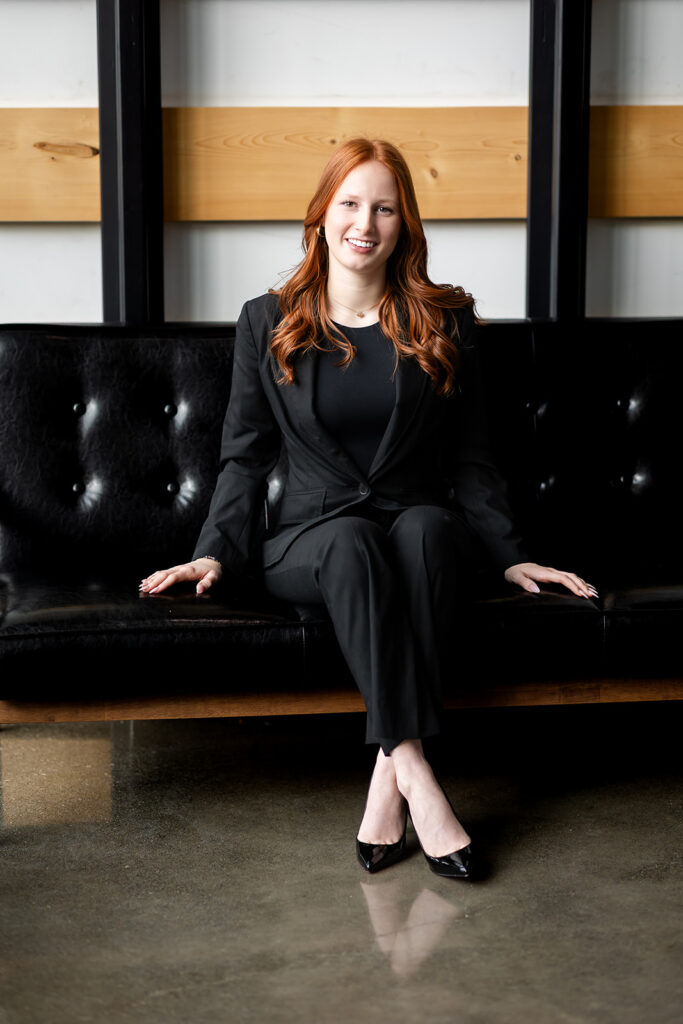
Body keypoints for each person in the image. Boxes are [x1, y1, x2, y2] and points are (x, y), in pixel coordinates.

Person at [140, 138, 597, 880]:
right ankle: (419, 774)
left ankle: (389, 783)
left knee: (419, 529)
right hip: (311, 543)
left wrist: (513, 555)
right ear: (321, 216)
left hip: (419, 526)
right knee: (351, 538)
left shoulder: (444, 320)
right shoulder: (267, 319)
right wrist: (214, 549)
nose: (365, 221)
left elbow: (472, 460)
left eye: (384, 207)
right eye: (349, 204)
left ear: (404, 224)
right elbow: (246, 454)